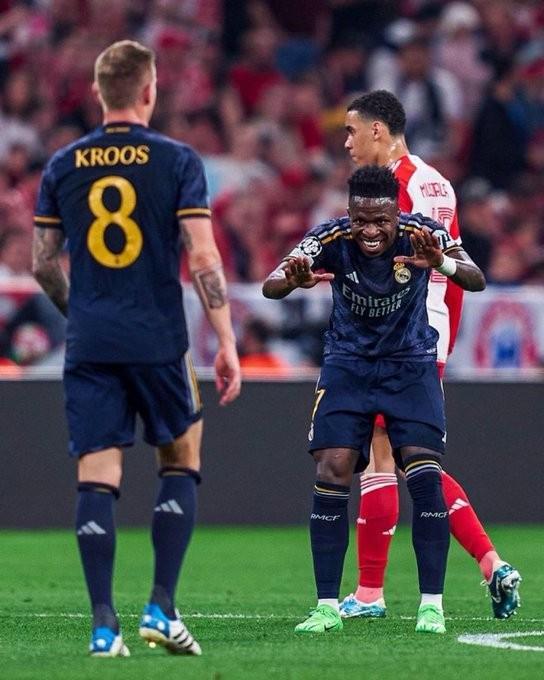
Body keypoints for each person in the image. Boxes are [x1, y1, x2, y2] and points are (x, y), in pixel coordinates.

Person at [32, 40, 241, 657]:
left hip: (91, 341)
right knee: (181, 453)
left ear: (99, 93)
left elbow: (41, 263)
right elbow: (202, 254)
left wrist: (81, 313)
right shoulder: (177, 160)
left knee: (97, 473)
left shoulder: (63, 164)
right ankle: (161, 607)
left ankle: (104, 626)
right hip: (158, 338)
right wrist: (226, 339)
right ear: (150, 91)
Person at [263, 164, 486, 634]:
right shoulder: (329, 237)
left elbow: (475, 277)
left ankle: (431, 606)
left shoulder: (422, 232)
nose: (370, 231)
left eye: (380, 220)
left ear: (395, 213)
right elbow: (272, 283)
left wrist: (442, 263)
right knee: (332, 468)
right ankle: (327, 606)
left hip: (410, 364)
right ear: (349, 213)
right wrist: (294, 280)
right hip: (349, 365)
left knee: (424, 473)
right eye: (360, 219)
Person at [341, 90, 521, 620]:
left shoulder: (403, 187)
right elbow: (447, 263)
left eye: (352, 131)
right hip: (429, 330)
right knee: (403, 455)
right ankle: (490, 563)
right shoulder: (433, 180)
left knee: (389, 451)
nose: (347, 143)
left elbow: (408, 264)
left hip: (407, 333)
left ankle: (370, 593)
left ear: (378, 130)